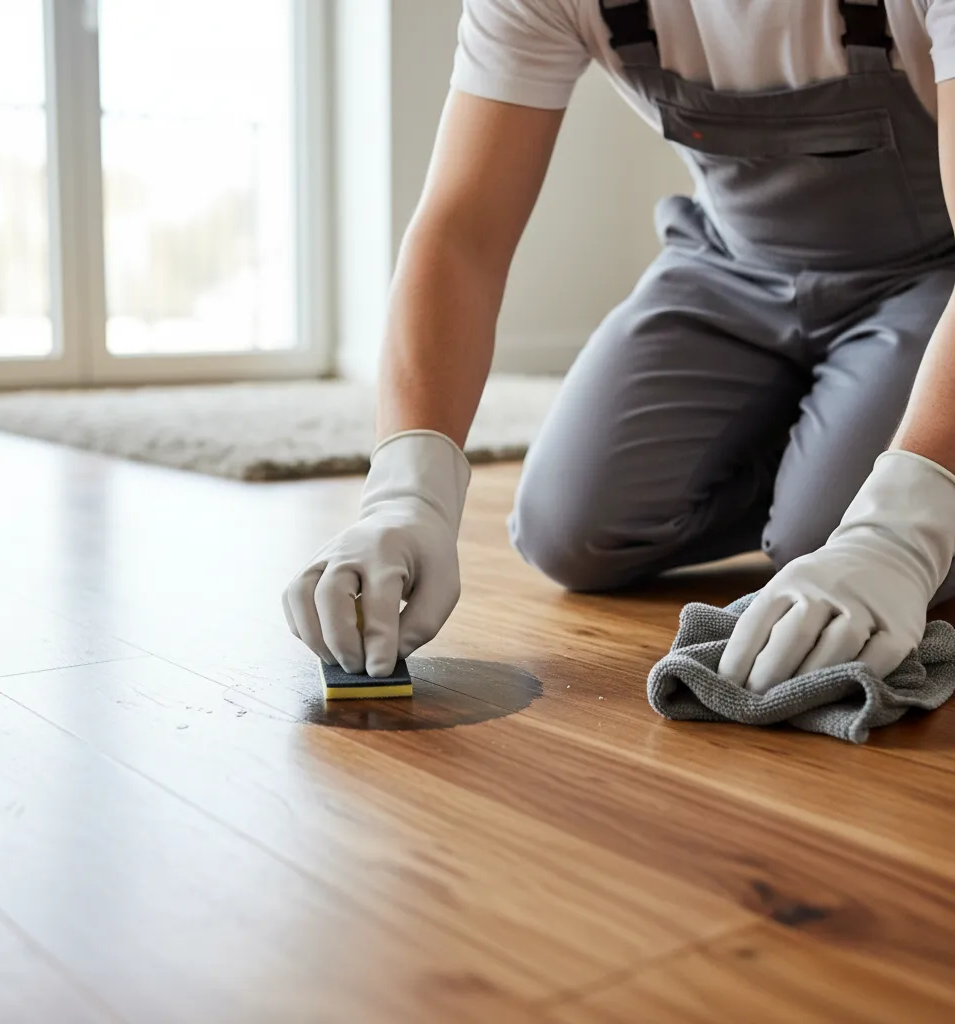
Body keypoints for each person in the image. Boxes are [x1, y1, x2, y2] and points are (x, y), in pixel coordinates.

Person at [283, 0, 955, 695]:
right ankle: (827, 460)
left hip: (934, 280)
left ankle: (839, 487)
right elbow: (462, 232)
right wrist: (406, 493)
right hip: (731, 268)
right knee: (567, 532)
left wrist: (900, 534)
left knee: (830, 534)